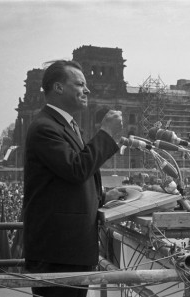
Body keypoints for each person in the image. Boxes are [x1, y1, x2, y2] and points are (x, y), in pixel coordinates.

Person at [22, 60, 124, 297]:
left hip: (69, 250)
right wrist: (106, 133)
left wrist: (103, 196)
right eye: (80, 84)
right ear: (58, 88)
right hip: (58, 252)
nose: (87, 90)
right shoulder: (45, 127)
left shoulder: (65, 125)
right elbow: (76, 168)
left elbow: (67, 182)